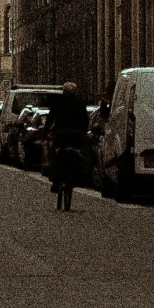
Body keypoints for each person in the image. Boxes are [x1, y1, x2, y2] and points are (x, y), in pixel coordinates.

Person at [46, 81, 89, 212]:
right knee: (80, 153)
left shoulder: (58, 103)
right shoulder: (80, 104)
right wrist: (83, 132)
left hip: (61, 134)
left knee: (55, 153)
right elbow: (86, 121)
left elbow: (50, 118)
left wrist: (47, 130)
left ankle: (56, 180)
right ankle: (79, 175)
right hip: (77, 135)